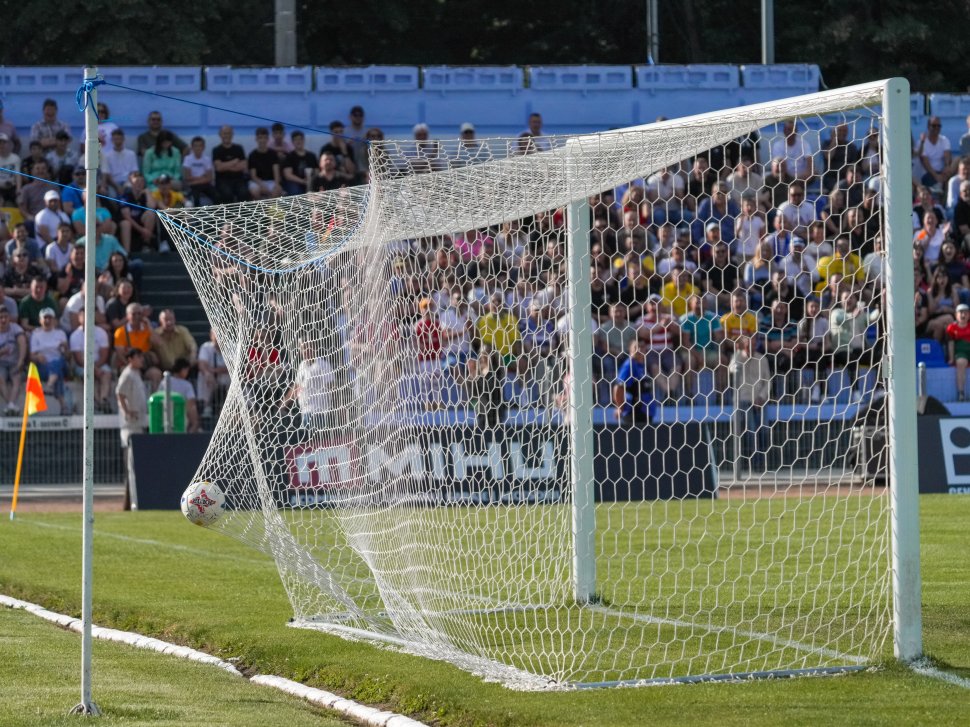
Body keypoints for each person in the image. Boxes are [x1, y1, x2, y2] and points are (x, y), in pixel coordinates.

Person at [116, 348, 148, 503]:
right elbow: (120, 393)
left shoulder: (136, 374)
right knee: (131, 461)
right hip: (129, 425)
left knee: (135, 461)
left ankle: (132, 498)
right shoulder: (127, 374)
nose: (141, 359)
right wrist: (127, 411)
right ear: (130, 359)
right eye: (139, 357)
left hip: (138, 423)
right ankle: (129, 499)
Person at [69, 305, 113, 412]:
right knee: (87, 374)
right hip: (82, 366)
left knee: (106, 373)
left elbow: (104, 354)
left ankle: (103, 400)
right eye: (84, 315)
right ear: (79, 318)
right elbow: (79, 359)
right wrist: (93, 369)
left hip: (99, 364)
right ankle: (97, 402)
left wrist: (96, 368)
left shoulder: (101, 332)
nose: (87, 318)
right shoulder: (75, 336)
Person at [29, 306, 68, 408]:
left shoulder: (60, 333)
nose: (47, 320)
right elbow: (32, 356)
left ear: (54, 319)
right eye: (45, 318)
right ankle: (63, 405)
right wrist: (37, 357)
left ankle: (50, 385)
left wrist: (64, 348)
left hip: (59, 363)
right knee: (57, 373)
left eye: (50, 318)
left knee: (58, 361)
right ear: (40, 320)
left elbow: (67, 355)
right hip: (43, 366)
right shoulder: (36, 334)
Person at [612, 336, 657, 424]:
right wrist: (620, 407)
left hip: (645, 412)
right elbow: (618, 387)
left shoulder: (642, 365)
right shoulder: (629, 365)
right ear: (630, 349)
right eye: (636, 347)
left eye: (642, 347)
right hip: (634, 413)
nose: (640, 350)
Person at [151, 308, 197, 373]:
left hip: (182, 370)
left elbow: (192, 345)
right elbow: (149, 349)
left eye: (171, 319)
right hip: (163, 370)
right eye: (166, 320)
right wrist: (152, 354)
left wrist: (193, 355)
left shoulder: (182, 331)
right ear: (160, 321)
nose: (169, 322)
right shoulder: (155, 334)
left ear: (174, 319)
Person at [197, 327, 229, 418]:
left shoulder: (231, 346)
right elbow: (202, 364)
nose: (219, 338)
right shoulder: (206, 347)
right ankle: (207, 406)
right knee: (204, 375)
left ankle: (247, 408)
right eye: (216, 335)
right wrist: (208, 373)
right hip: (212, 379)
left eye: (221, 335)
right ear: (211, 336)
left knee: (236, 379)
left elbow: (233, 367)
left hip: (227, 378)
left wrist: (214, 370)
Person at [212, 125, 249, 203]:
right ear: (220, 135)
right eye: (224, 133)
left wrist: (225, 166)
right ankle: (229, 215)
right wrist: (234, 162)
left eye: (229, 133)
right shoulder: (216, 150)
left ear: (232, 134)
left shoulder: (239, 148)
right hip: (222, 180)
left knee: (244, 193)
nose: (226, 135)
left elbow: (243, 166)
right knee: (227, 194)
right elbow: (218, 168)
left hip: (239, 179)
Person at [0, 307, 26, 414]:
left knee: (17, 379)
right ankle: (10, 405)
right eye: (0, 317)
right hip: (1, 363)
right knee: (1, 379)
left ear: (9, 317)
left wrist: (21, 360)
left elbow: (22, 343)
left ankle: (10, 405)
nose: (3, 320)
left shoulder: (15, 328)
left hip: (14, 362)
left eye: (5, 317)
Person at [916, 116, 953, 189]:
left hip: (942, 172)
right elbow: (924, 161)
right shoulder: (922, 143)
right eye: (934, 125)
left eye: (938, 126)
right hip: (928, 173)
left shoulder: (944, 140)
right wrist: (936, 176)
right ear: (928, 126)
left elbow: (947, 155)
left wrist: (946, 167)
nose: (936, 127)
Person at [181, 136, 217, 207]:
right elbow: (187, 177)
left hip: (204, 184)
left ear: (203, 147)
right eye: (195, 146)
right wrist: (203, 177)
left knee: (217, 196)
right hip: (193, 186)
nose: (198, 148)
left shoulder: (207, 159)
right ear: (192, 147)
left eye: (200, 146)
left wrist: (194, 180)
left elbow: (209, 178)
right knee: (196, 199)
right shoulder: (188, 159)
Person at [168, 357, 200, 432]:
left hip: (165, 415)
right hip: (181, 416)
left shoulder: (165, 382)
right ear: (183, 369)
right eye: (187, 370)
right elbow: (191, 402)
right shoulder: (187, 385)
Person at [281, 130, 317, 196]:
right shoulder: (289, 156)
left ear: (304, 140)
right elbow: (288, 175)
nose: (298, 141)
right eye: (296, 140)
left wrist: (310, 181)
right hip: (294, 183)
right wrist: (303, 181)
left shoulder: (311, 156)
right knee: (295, 191)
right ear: (292, 142)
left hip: (310, 181)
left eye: (300, 139)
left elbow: (317, 171)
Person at [947, 304, 970, 401]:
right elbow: (951, 343)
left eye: (965, 312)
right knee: (960, 363)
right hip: (961, 353)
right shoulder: (951, 328)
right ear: (956, 315)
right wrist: (952, 358)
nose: (963, 315)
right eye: (961, 312)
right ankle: (961, 393)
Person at [0, 132, 21, 205]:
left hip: (12, 187)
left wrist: (18, 190)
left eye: (4, 143)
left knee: (20, 201)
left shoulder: (15, 158)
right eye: (0, 143)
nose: (2, 145)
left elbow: (18, 175)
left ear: (8, 144)